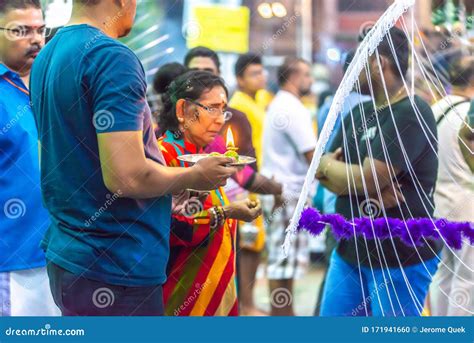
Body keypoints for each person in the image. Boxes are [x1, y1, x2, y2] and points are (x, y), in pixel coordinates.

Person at [29, 0, 238, 316]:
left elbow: (62, 160)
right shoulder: (110, 57)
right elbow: (126, 176)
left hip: (70, 253)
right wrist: (194, 177)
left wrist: (167, 193)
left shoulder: (48, 54)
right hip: (115, 263)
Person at [318, 27, 441, 316]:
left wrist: (347, 176)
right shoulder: (358, 114)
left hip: (398, 257)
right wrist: (348, 178)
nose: (351, 68)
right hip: (350, 251)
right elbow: (321, 169)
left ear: (379, 63)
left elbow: (370, 178)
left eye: (359, 59)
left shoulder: (411, 112)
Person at [184, 47, 283, 315]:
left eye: (208, 73)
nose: (201, 80)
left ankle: (245, 305)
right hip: (182, 231)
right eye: (195, 73)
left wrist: (270, 188)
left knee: (237, 259)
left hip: (229, 203)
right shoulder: (171, 132)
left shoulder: (232, 119)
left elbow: (241, 168)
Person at [157, 71, 262, 316]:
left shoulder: (205, 157)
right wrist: (227, 211)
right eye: (212, 108)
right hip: (182, 296)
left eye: (223, 110)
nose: (220, 119)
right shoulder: (165, 155)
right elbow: (175, 229)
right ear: (182, 110)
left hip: (217, 293)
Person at [0, 0, 59, 316]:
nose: (36, 40)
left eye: (40, 30)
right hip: (11, 259)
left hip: (58, 253)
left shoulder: (50, 83)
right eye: (21, 30)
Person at [262, 57, 317, 316]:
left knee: (283, 262)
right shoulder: (292, 108)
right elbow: (311, 155)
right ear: (293, 77)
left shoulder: (281, 103)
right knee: (282, 263)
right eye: (307, 74)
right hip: (287, 193)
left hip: (282, 190)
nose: (311, 80)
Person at [430, 56, 474, 316]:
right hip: (468, 209)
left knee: (442, 275)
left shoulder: (435, 109)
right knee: (467, 281)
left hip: (439, 208)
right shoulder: (469, 114)